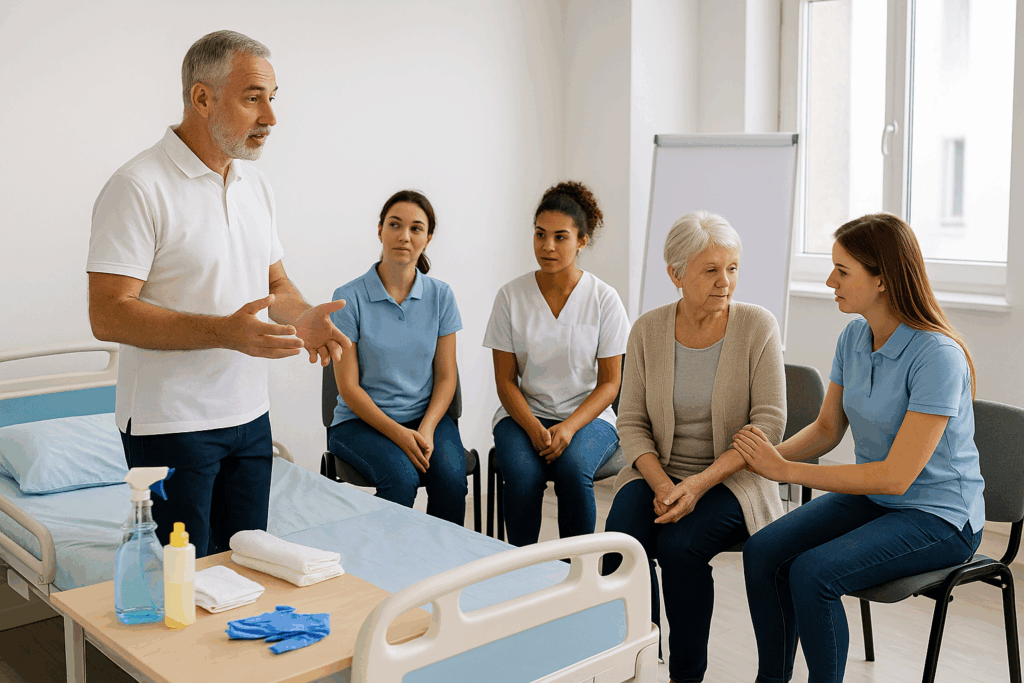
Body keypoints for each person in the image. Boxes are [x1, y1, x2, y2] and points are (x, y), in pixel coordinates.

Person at [87, 31, 351, 558]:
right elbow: (108, 315)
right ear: (201, 98)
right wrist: (224, 333)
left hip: (250, 418)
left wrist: (303, 317)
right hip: (171, 426)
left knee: (248, 568)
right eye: (253, 98)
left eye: (273, 98)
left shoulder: (256, 187)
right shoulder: (138, 186)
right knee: (183, 590)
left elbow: (274, 284)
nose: (270, 118)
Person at [734, 213, 985, 683]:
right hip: (878, 501)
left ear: (883, 280)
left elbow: (896, 476)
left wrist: (784, 471)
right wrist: (762, 461)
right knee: (763, 551)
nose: (830, 281)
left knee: (813, 574)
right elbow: (828, 429)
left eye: (842, 271)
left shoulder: (937, 357)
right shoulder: (854, 336)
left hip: (940, 516)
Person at [602, 210, 787, 683]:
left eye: (732, 268)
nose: (725, 281)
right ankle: (636, 659)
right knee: (622, 540)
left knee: (681, 547)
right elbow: (632, 421)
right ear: (676, 274)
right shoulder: (647, 330)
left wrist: (700, 484)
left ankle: (687, 674)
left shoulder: (757, 326)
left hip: (734, 478)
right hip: (657, 471)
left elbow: (770, 422)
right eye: (711, 270)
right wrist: (664, 483)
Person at [483, 181, 629, 547]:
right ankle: (521, 569)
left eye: (560, 237)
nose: (547, 246)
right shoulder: (510, 297)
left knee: (573, 468)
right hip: (523, 415)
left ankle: (576, 574)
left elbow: (610, 384)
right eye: (540, 234)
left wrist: (568, 427)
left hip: (589, 418)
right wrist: (534, 427)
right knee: (521, 474)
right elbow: (505, 381)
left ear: (582, 241)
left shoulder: (603, 299)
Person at [327, 190, 468, 525]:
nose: (404, 236)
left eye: (416, 229)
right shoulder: (348, 298)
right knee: (401, 479)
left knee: (450, 480)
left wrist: (428, 428)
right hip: (359, 424)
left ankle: (445, 571)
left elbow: (447, 377)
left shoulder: (441, 296)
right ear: (380, 230)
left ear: (428, 238)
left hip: (424, 419)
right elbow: (348, 388)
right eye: (395, 225)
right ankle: (392, 573)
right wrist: (399, 433)